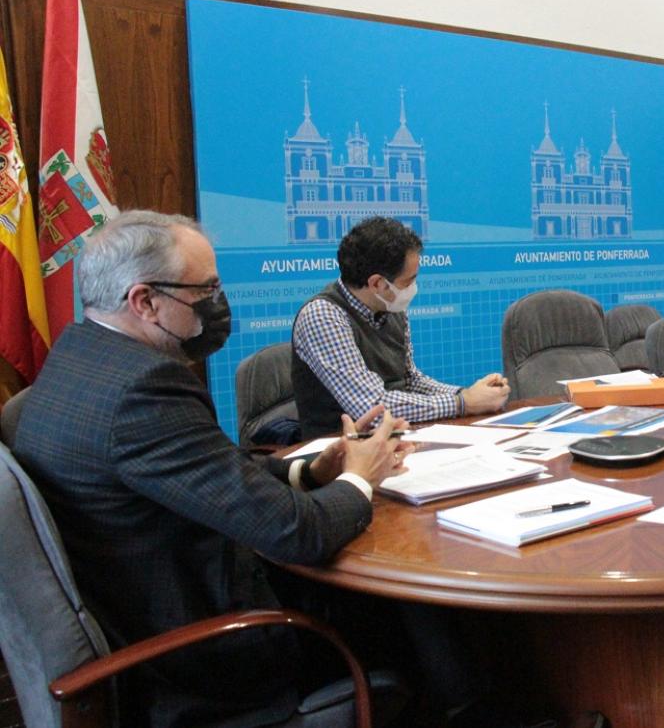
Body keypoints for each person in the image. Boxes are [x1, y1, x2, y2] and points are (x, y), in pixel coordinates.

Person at [11, 211, 414, 727]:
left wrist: (311, 471)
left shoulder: (77, 359)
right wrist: (362, 477)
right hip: (203, 663)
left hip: (145, 614)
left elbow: (207, 472)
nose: (218, 305)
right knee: (404, 625)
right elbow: (298, 532)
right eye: (205, 291)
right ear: (145, 301)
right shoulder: (144, 389)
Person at [292, 216, 510, 438]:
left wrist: (469, 393)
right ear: (377, 283)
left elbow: (409, 379)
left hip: (394, 437)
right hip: (336, 452)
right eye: (408, 281)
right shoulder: (323, 316)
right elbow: (372, 409)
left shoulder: (390, 306)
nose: (413, 288)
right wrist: (463, 403)